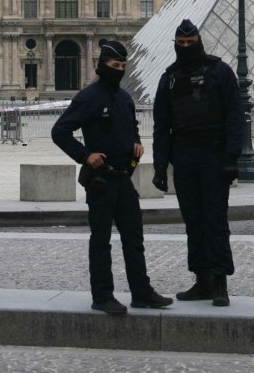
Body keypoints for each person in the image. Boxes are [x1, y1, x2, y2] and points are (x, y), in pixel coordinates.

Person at [51, 39, 172, 315]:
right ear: (101, 66)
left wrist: (137, 143)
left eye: (122, 66)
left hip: (123, 179)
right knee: (101, 240)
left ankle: (141, 292)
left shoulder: (126, 97)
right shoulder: (88, 97)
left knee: (134, 239)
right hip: (101, 180)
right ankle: (102, 295)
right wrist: (84, 155)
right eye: (114, 65)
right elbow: (60, 131)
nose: (119, 70)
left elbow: (131, 127)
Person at [152, 19, 244, 307]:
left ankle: (220, 282)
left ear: (199, 42)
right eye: (181, 44)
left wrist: (232, 158)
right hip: (185, 156)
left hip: (214, 156)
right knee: (193, 220)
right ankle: (201, 279)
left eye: (191, 44)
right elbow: (160, 125)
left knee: (215, 219)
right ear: (175, 45)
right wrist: (159, 166)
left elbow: (234, 116)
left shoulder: (220, 71)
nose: (186, 48)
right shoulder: (169, 78)